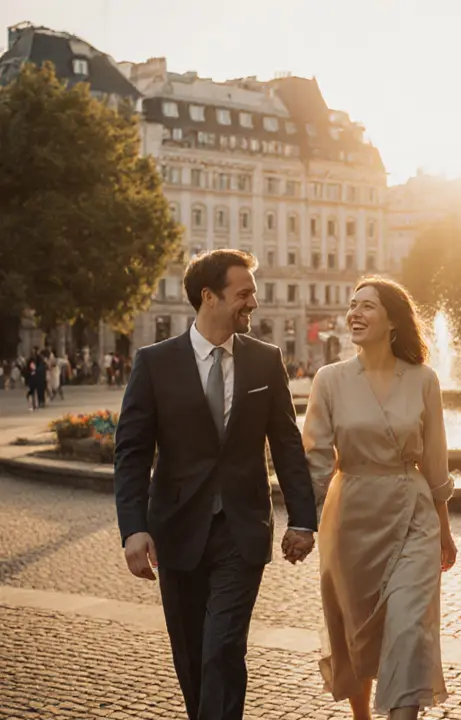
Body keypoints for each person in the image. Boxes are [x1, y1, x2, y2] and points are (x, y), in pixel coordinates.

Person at [114, 249, 318, 720]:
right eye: (244, 293)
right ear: (209, 297)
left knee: (222, 646)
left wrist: (303, 519)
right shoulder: (154, 363)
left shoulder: (265, 361)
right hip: (177, 531)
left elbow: (286, 443)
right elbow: (131, 453)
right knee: (189, 654)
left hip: (241, 532)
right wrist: (133, 528)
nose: (254, 303)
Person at [303, 276, 457, 720]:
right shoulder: (329, 379)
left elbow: (435, 462)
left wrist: (443, 529)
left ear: (392, 321)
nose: (355, 313)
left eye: (367, 306)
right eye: (352, 305)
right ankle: (361, 716)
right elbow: (314, 457)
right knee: (355, 627)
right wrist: (301, 522)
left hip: (413, 515)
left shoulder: (424, 379)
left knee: (410, 627)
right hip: (349, 515)